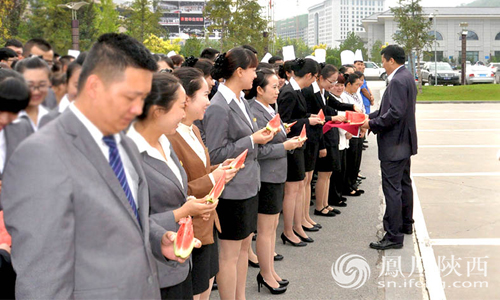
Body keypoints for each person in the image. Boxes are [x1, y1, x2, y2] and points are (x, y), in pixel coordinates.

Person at [2, 33, 194, 299]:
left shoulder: (123, 142)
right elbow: (42, 278)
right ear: (94, 86)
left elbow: (121, 220)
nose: (139, 108)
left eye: (143, 97)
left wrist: (157, 239)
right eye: (130, 96)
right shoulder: (40, 156)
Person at [127, 72, 209, 300]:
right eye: (181, 107)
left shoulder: (165, 141)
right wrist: (181, 212)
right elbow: (127, 221)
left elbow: (176, 189)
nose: (184, 115)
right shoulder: (128, 155)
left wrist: (189, 203)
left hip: (179, 265)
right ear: (157, 111)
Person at [203, 47, 273, 300]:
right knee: (230, 255)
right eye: (253, 69)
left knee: (244, 248)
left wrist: (257, 138)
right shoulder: (219, 106)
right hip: (231, 191)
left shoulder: (241, 101)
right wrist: (252, 140)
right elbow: (216, 153)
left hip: (247, 185)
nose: (256, 75)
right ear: (240, 71)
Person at [169, 67, 238, 300]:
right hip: (190, 228)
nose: (209, 101)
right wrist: (213, 177)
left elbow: (198, 170)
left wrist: (217, 170)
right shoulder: (170, 137)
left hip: (208, 222)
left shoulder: (195, 130)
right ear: (185, 99)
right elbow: (178, 188)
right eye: (205, 95)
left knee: (205, 288)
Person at [248, 68, 303, 294]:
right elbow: (257, 150)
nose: (278, 91)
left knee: (270, 228)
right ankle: (265, 273)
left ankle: (269, 271)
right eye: (274, 87)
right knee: (266, 230)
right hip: (266, 176)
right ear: (259, 90)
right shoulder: (254, 111)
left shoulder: (270, 109)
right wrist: (285, 145)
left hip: (276, 174)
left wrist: (285, 132)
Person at [362, 45, 418, 250]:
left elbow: (394, 113)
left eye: (383, 60)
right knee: (403, 184)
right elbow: (390, 109)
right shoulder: (407, 77)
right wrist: (370, 117)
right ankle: (405, 224)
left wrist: (372, 124)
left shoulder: (397, 81)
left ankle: (393, 236)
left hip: (394, 144)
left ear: (391, 60)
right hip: (404, 142)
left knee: (392, 189)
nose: (383, 64)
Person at [277, 58, 321, 247]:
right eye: (314, 78)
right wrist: (307, 121)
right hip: (291, 146)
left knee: (297, 188)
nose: (314, 82)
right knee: (292, 190)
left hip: (298, 144)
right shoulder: (288, 92)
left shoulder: (296, 90)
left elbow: (298, 115)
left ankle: (297, 226)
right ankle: (288, 230)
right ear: (310, 75)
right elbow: (284, 123)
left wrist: (308, 117)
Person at [303, 64, 348, 217]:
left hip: (328, 135)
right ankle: (319, 206)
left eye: (336, 82)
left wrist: (351, 107)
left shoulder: (324, 92)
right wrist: (332, 118)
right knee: (322, 174)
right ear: (320, 77)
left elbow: (334, 106)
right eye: (331, 81)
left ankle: (325, 203)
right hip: (320, 137)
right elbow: (311, 116)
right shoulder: (309, 92)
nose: (333, 85)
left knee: (328, 173)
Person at [340, 72, 366, 198]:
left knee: (357, 160)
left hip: (360, 128)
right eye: (356, 85)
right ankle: (347, 185)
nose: (358, 87)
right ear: (348, 84)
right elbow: (347, 114)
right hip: (351, 130)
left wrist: (364, 127)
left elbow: (362, 109)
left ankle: (353, 183)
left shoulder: (356, 95)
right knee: (350, 161)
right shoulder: (344, 97)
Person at [14, 57, 52, 132]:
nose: (36, 92)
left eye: (42, 85)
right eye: (30, 85)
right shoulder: (6, 120)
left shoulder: (53, 118)